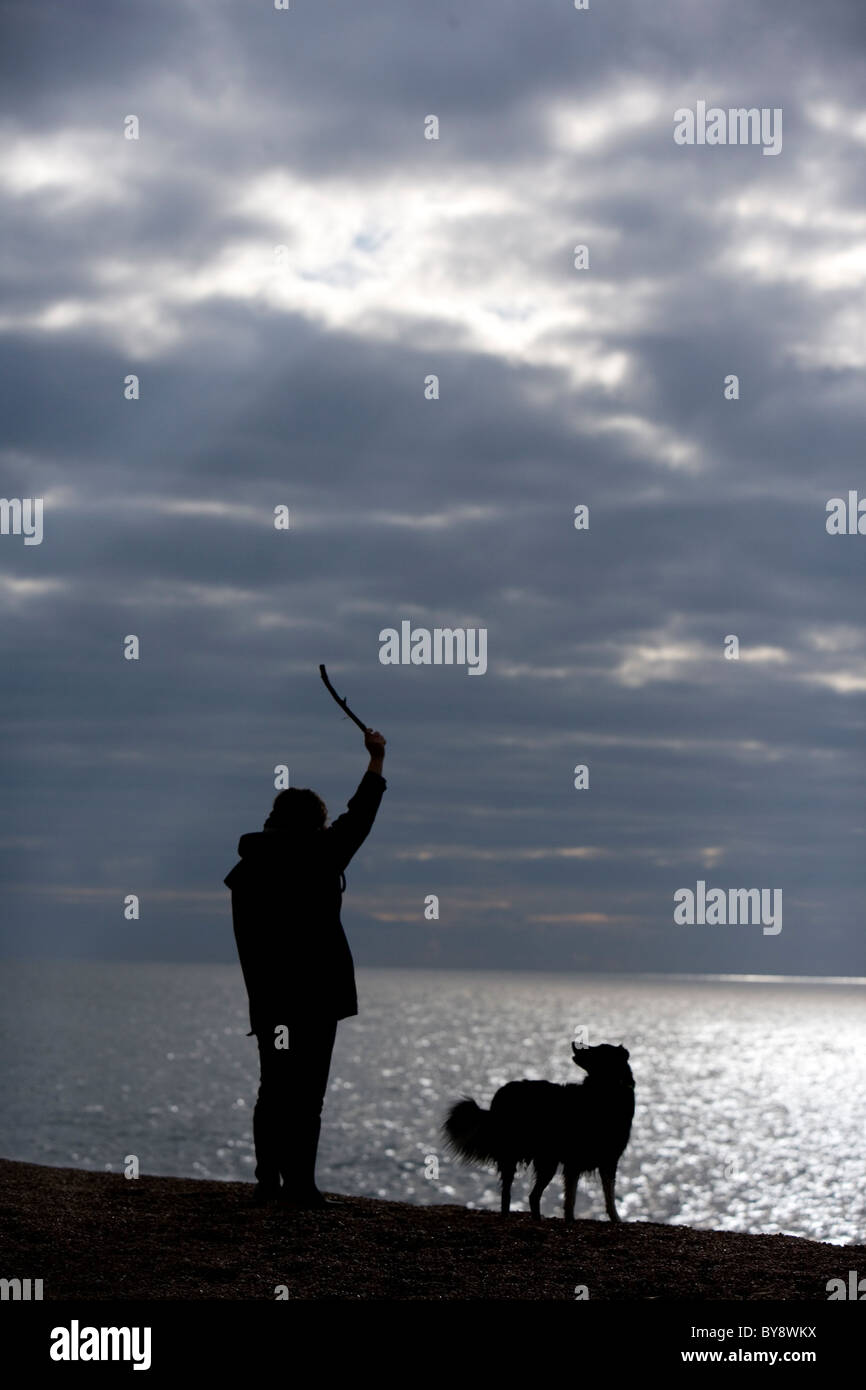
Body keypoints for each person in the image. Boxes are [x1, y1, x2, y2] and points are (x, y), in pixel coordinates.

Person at [224, 727, 387, 1207]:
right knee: (307, 1096)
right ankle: (300, 1186)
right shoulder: (321, 854)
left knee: (273, 1089)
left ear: (273, 819)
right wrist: (376, 759)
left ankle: (267, 1183)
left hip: (271, 1000)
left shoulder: (248, 870)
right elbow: (360, 816)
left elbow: (249, 946)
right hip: (316, 1000)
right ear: (316, 824)